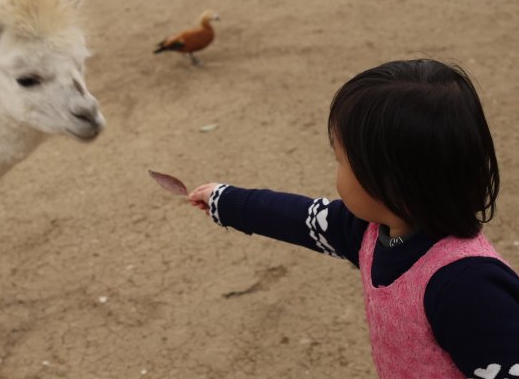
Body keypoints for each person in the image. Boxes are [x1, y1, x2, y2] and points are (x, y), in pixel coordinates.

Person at [188, 59, 519, 379]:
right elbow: (298, 218)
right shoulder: (370, 230)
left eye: (340, 160)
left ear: (389, 182)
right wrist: (226, 200)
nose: (336, 170)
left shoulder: (468, 287)